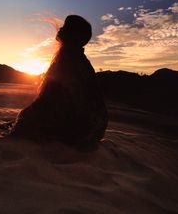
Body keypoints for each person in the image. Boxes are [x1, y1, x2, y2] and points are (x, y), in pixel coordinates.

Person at [6, 15, 108, 149]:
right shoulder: (74, 57)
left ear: (73, 34)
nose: (60, 29)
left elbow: (51, 99)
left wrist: (23, 122)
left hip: (85, 130)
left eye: (66, 27)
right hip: (94, 127)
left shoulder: (69, 60)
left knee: (26, 118)